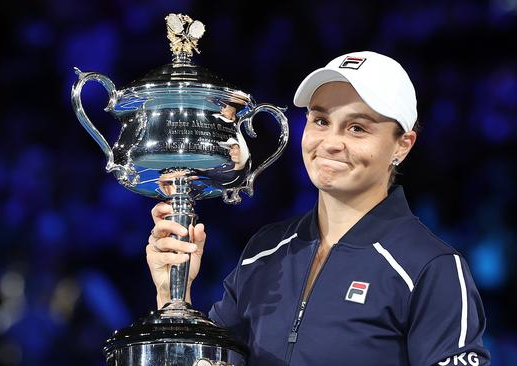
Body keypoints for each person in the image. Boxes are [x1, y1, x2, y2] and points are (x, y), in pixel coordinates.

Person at [146, 51, 491, 365]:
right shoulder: (265, 251)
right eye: (321, 121)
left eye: (357, 128)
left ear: (402, 145)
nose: (331, 143)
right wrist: (174, 296)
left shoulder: (432, 269)